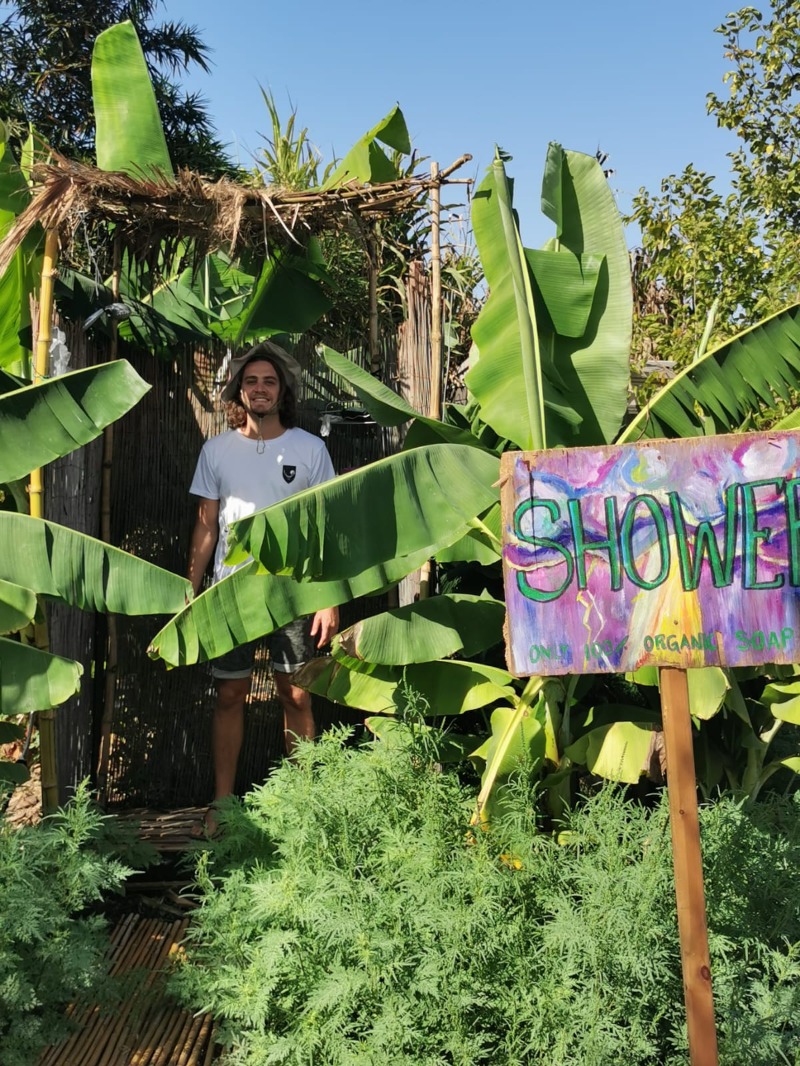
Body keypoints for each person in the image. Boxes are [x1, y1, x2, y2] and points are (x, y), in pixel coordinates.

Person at [187, 340, 339, 830]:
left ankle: (305, 805)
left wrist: (328, 596)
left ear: (282, 391)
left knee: (295, 695)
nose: (259, 389)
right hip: (229, 592)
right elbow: (207, 524)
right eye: (251, 381)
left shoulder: (310, 449)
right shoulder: (216, 450)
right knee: (229, 695)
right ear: (238, 389)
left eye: (268, 382)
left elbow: (323, 528)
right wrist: (190, 590)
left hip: (292, 590)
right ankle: (222, 802)